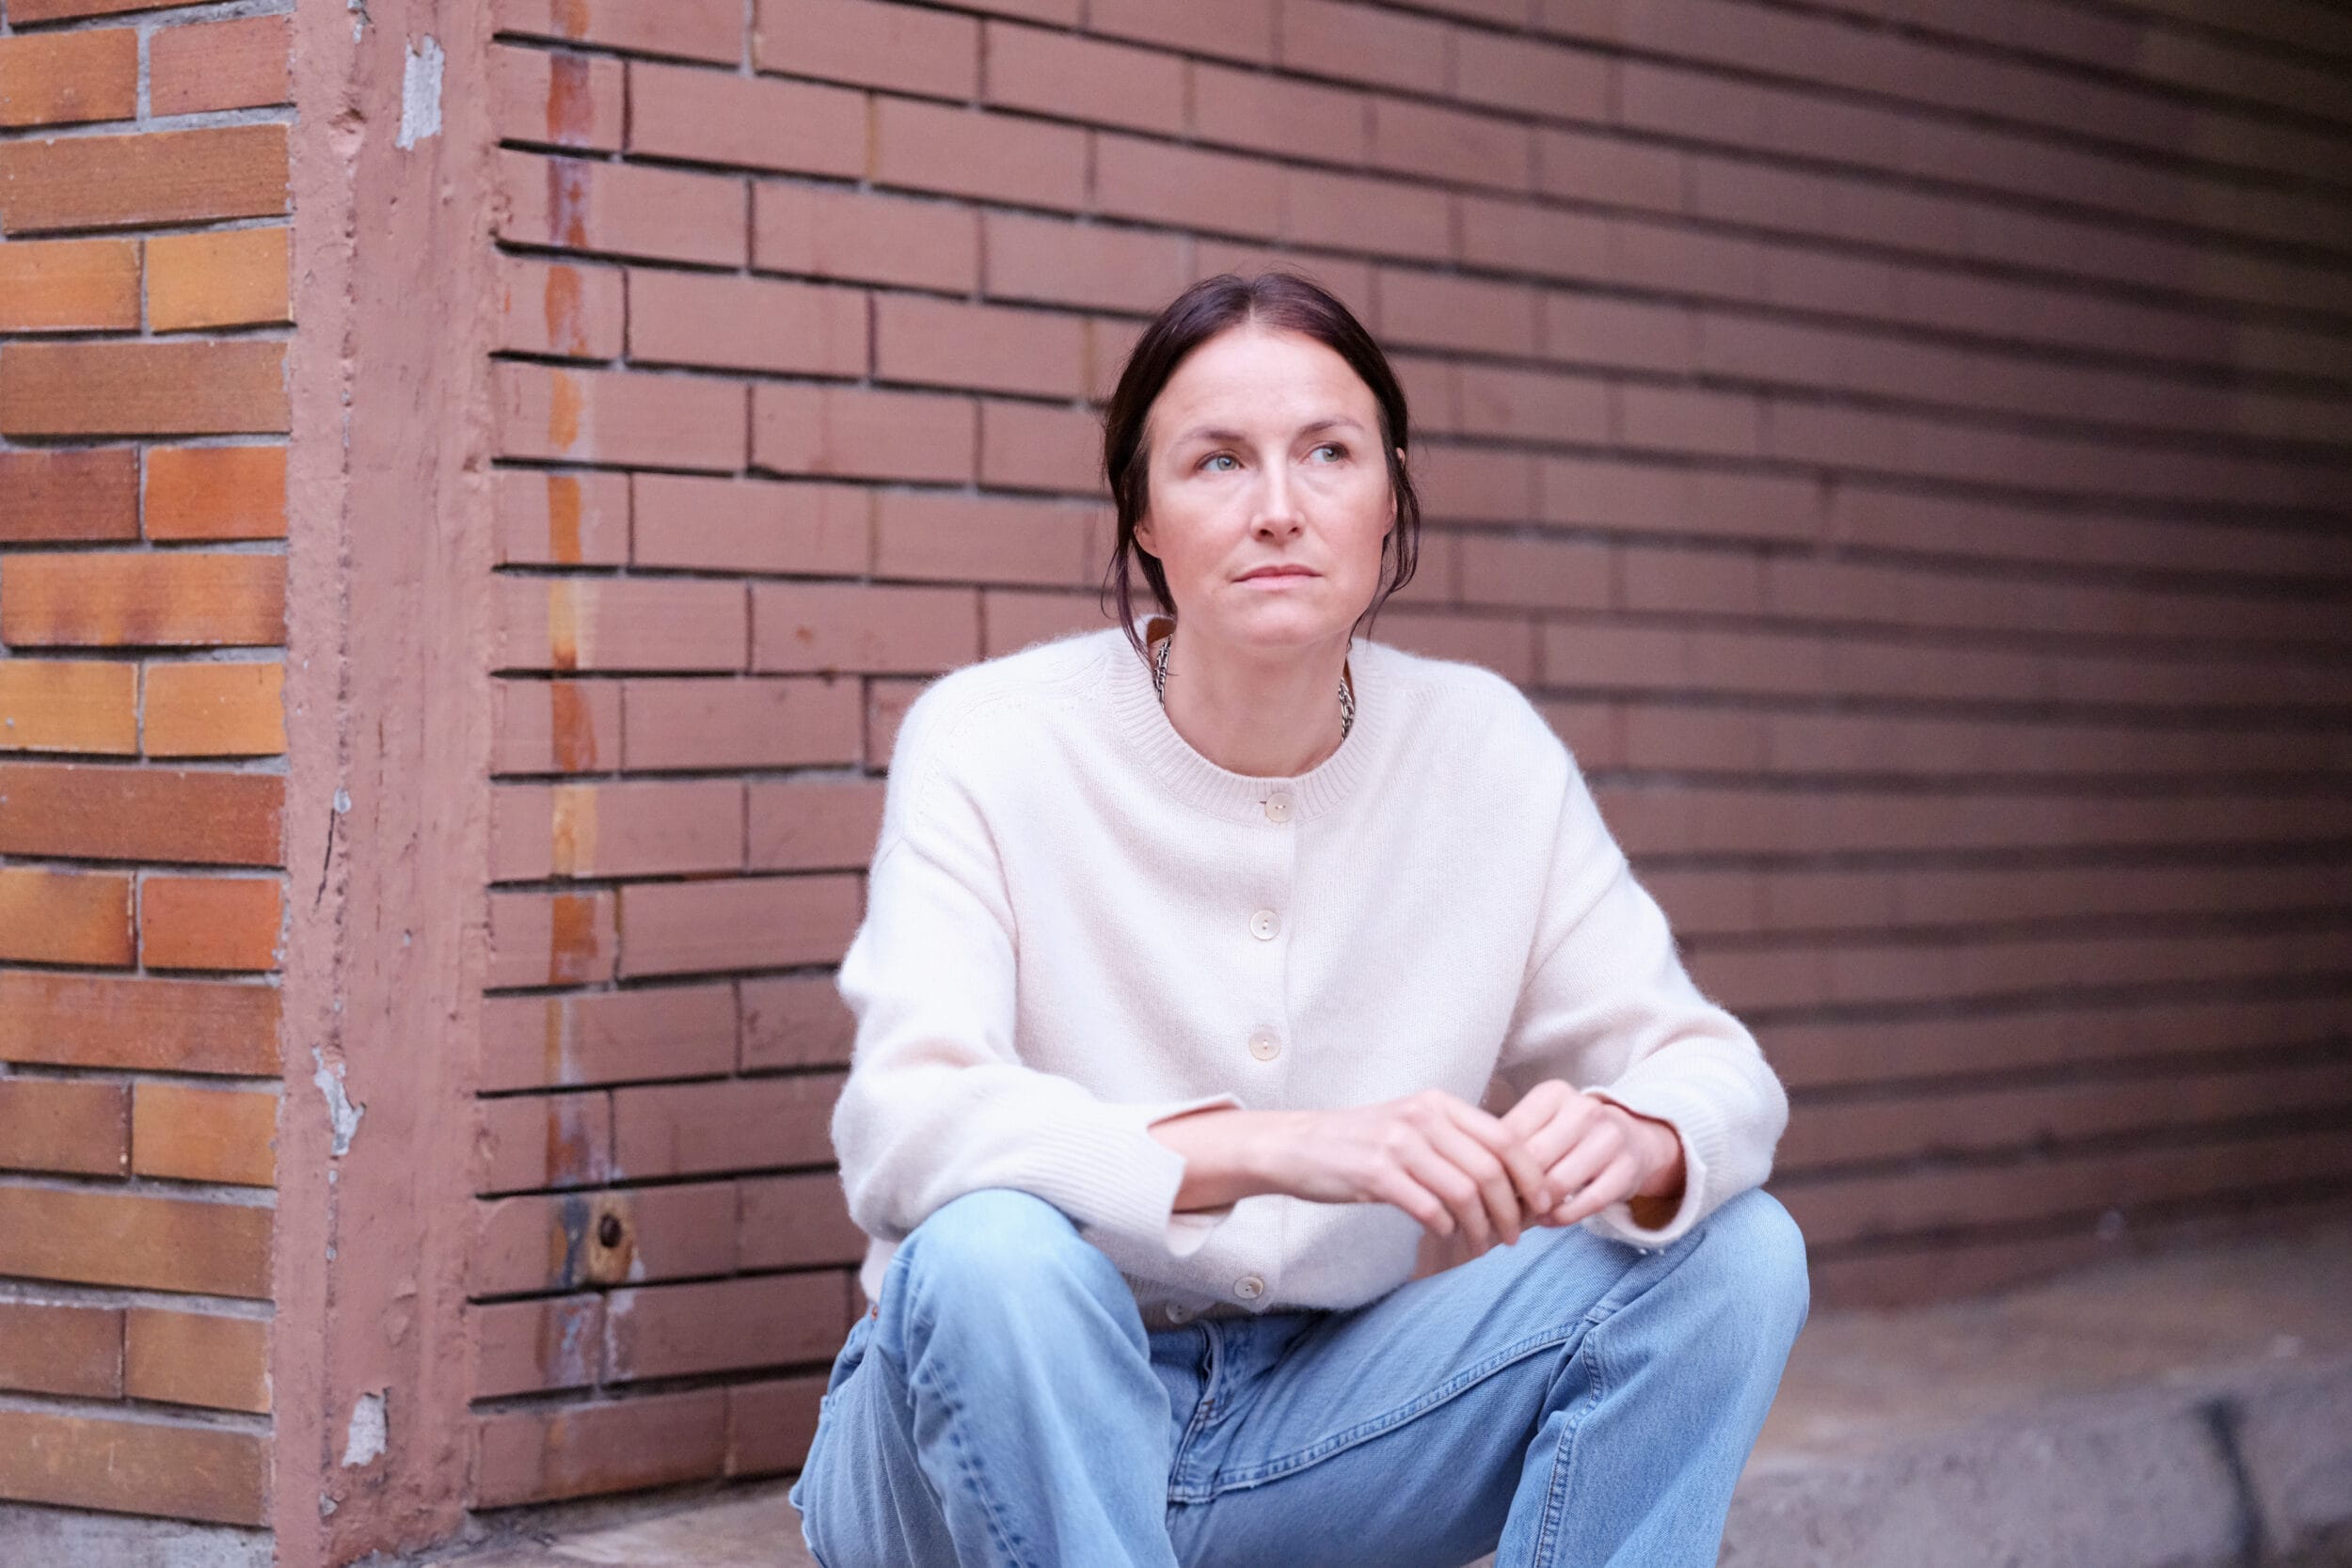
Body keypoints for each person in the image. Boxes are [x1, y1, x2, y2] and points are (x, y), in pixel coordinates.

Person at [787, 271, 1808, 1568]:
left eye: (1328, 454)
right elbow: (904, 1129)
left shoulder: (1480, 749)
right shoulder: (992, 739)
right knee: (990, 1250)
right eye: (1217, 461)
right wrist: (1282, 1149)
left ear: (1389, 500)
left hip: (1319, 1432)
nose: (1279, 509)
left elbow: (1717, 1073)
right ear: (1145, 517)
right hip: (983, 1422)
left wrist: (1640, 1131)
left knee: (1734, 1256)